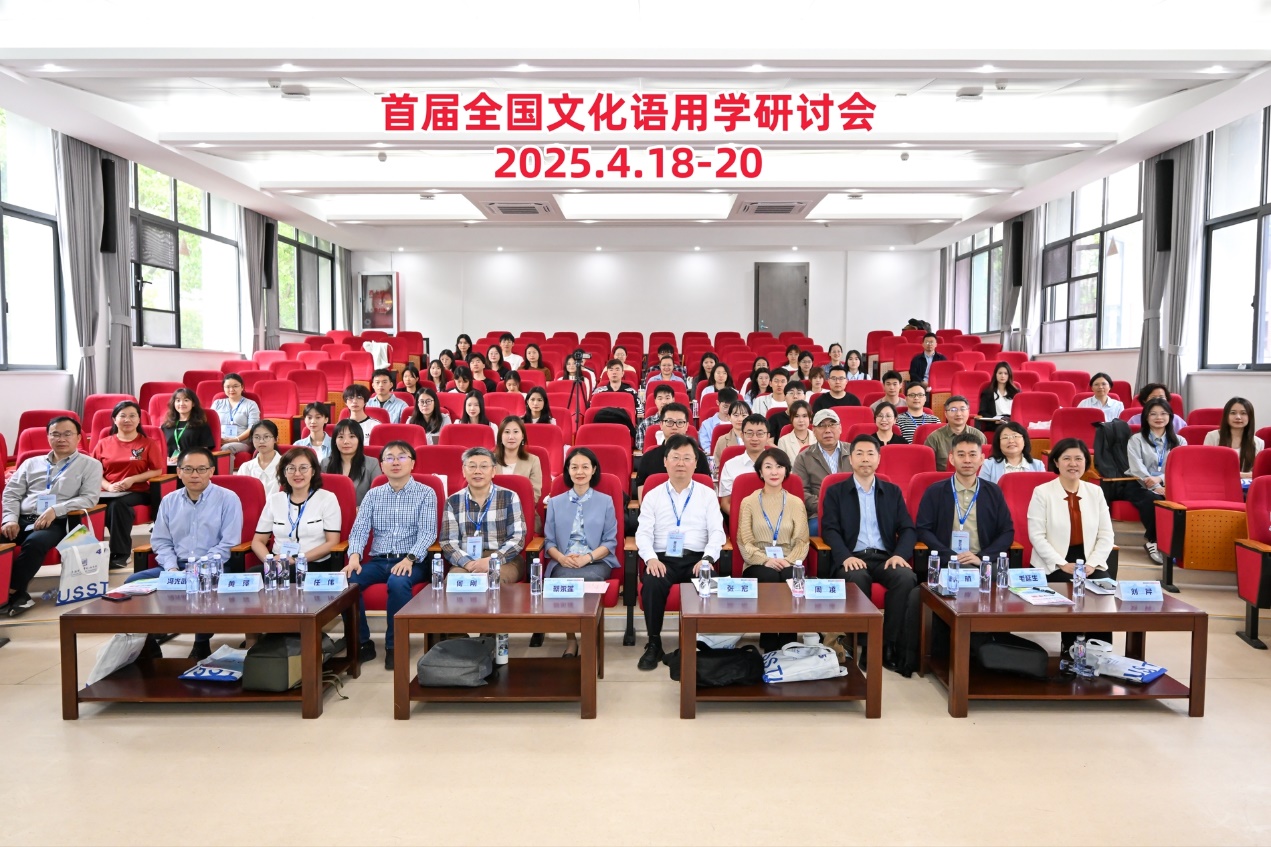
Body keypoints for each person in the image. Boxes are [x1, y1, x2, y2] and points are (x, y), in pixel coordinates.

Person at [127, 446, 240, 658]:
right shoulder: (169, 501)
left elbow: (228, 543)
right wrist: (171, 569)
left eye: (201, 469)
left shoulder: (228, 498)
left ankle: (201, 642)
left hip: (214, 567)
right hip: (176, 566)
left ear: (211, 471)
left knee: (204, 585)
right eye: (188, 469)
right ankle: (148, 643)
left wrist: (197, 569)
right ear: (178, 472)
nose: (194, 475)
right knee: (133, 583)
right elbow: (161, 541)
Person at [821, 435, 917, 672]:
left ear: (878, 459)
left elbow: (907, 528)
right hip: (853, 557)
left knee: (906, 578)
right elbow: (829, 530)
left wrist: (900, 555)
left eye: (870, 454)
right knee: (857, 578)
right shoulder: (836, 491)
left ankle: (887, 645)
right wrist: (845, 557)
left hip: (885, 557)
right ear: (850, 459)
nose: (865, 459)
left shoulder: (892, 492)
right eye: (860, 454)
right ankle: (864, 645)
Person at [342, 441, 438, 670]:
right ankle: (361, 643)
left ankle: (395, 646)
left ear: (412, 463)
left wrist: (409, 559)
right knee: (346, 583)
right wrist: (354, 557)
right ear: (382, 465)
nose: (396, 462)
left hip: (413, 560)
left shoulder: (426, 493)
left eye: (402, 457)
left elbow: (428, 532)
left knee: (398, 582)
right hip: (378, 560)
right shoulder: (373, 495)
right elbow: (359, 529)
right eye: (389, 457)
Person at [635, 434, 726, 670]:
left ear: (696, 463)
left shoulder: (706, 494)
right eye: (675, 457)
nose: (681, 463)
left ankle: (702, 644)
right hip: (662, 559)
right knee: (652, 582)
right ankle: (654, 643)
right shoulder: (653, 495)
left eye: (687, 458)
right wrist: (651, 559)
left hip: (697, 558)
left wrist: (707, 559)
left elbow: (717, 532)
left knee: (711, 583)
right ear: (665, 461)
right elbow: (643, 533)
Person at [1, 417, 102, 615]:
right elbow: (11, 493)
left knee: (35, 543)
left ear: (78, 437)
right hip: (23, 519)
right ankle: (18, 596)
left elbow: (89, 498)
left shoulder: (90, 465)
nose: (61, 439)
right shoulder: (30, 463)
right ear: (48, 437)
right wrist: (10, 519)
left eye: (67, 434)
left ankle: (9, 593)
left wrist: (56, 509)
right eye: (55, 434)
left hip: (58, 521)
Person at [1026, 438, 1116, 651]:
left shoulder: (1095, 492)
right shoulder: (1042, 492)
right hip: (1053, 562)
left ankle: (1101, 651)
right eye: (1066, 458)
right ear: (1056, 462)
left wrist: (1092, 564)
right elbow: (1037, 536)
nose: (1073, 464)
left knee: (1102, 592)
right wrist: (1061, 564)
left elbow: (1106, 534)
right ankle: (1071, 649)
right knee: (1070, 589)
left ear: (1086, 462)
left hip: (1089, 560)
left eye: (1078, 459)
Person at [542, 447, 620, 657]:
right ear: (568, 471)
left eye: (585, 467)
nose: (580, 472)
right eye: (574, 467)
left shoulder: (605, 501)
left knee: (589, 581)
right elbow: (549, 542)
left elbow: (609, 542)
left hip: (596, 560)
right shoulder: (555, 502)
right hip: (564, 561)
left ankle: (590, 636)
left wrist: (587, 558)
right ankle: (571, 640)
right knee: (563, 583)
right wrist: (562, 558)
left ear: (593, 470)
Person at [736, 447, 811, 651]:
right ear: (760, 472)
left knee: (790, 575)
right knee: (768, 575)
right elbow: (744, 541)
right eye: (768, 467)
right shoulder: (749, 502)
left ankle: (789, 638)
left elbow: (802, 541)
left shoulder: (795, 503)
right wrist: (765, 560)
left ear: (786, 471)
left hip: (788, 560)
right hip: (757, 562)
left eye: (779, 467)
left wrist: (788, 561)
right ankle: (768, 636)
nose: (774, 472)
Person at [917, 432, 1014, 571]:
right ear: (952, 459)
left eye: (973, 455)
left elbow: (1007, 531)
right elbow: (923, 529)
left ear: (982, 459)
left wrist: (982, 557)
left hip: (982, 562)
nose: (967, 460)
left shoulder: (993, 491)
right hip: (946, 562)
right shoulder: (935, 491)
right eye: (961, 455)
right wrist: (950, 556)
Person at [440, 446, 528, 585]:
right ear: (463, 471)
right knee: (454, 583)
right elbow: (448, 542)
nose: (477, 471)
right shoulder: (453, 501)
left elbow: (518, 537)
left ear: (493, 471)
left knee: (492, 581)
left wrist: (492, 560)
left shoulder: (509, 497)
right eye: (472, 466)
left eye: (484, 466)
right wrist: (468, 563)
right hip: (466, 560)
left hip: (504, 560)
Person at [92, 400, 165, 568]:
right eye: (122, 416)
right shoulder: (103, 443)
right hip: (108, 492)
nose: (127, 420)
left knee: (117, 505)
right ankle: (88, 557)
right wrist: (109, 486)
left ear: (139, 420)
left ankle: (121, 554)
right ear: (114, 419)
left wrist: (133, 479)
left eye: (132, 416)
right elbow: (94, 472)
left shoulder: (147, 443)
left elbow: (157, 471)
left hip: (138, 491)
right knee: (101, 505)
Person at [252, 446, 342, 572]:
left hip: (312, 562)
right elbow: (258, 541)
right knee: (250, 576)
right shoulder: (274, 500)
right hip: (278, 563)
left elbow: (332, 542)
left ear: (313, 471)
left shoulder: (327, 498)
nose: (297, 473)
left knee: (288, 575)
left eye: (303, 468)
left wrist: (297, 559)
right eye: (291, 468)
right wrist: (270, 561)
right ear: (284, 472)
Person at [1128, 398, 1186, 565]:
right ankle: (1153, 541)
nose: (1158, 417)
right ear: (1146, 417)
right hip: (1138, 482)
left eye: (1163, 413)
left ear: (1170, 416)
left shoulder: (1180, 441)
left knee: (1178, 503)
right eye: (1153, 414)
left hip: (1170, 483)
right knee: (1151, 499)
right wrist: (1155, 486)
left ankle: (1177, 544)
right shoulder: (1136, 439)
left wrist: (1161, 480)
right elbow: (1137, 468)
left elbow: (1180, 468)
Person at [791, 409, 850, 535]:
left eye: (832, 424)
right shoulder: (804, 457)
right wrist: (826, 506)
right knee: (814, 528)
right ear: (813, 430)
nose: (827, 430)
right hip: (820, 513)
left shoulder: (854, 452)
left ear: (840, 428)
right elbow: (801, 491)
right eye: (822, 425)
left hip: (853, 509)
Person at [636, 403, 710, 499]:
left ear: (687, 426)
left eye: (680, 422)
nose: (674, 427)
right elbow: (643, 497)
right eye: (669, 422)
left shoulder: (699, 456)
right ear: (661, 424)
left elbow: (706, 492)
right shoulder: (648, 458)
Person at [717, 414, 771, 514]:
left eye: (760, 434)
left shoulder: (778, 465)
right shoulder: (730, 465)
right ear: (742, 436)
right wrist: (745, 519)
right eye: (749, 433)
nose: (754, 438)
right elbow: (725, 503)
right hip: (741, 519)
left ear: (768, 436)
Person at [323, 419, 381, 504]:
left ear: (359, 440)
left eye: (352, 436)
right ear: (334, 441)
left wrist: (363, 508)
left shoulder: (372, 464)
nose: (346, 442)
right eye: (341, 437)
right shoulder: (325, 464)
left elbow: (379, 496)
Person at [1204, 396, 1262, 479]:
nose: (1238, 417)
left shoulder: (1259, 443)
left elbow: (1257, 474)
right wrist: (1244, 475)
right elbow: (1207, 468)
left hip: (1247, 485)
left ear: (1250, 417)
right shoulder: (1212, 437)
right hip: (1218, 482)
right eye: (1233, 413)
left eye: (1243, 413)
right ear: (1226, 416)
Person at [924, 395, 986, 472]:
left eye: (962, 409)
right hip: (944, 478)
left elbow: (983, 466)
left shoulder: (979, 436)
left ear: (968, 412)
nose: (958, 414)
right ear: (946, 414)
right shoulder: (934, 438)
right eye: (953, 410)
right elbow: (928, 469)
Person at [493, 416, 543, 508]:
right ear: (500, 436)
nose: (511, 437)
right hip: (493, 510)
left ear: (522, 436)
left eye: (516, 432)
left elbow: (534, 495)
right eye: (507, 432)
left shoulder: (533, 460)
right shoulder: (489, 460)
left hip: (523, 510)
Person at [161, 388, 216, 466]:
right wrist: (164, 457)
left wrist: (183, 457)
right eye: (178, 400)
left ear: (193, 403)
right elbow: (161, 448)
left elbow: (203, 451)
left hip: (192, 465)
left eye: (186, 400)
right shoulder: (166, 426)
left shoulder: (201, 425)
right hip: (169, 465)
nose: (181, 403)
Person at [978, 420, 1046, 482]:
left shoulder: (1038, 466)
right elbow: (983, 490)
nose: (1011, 441)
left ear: (1024, 441)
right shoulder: (989, 465)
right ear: (999, 443)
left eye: (1015, 436)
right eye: (1005, 437)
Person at [211, 373, 261, 455]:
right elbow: (211, 425)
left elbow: (253, 428)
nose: (231, 389)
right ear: (223, 388)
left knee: (226, 448)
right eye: (228, 387)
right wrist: (218, 440)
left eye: (235, 386)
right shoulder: (217, 403)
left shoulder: (251, 404)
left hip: (241, 442)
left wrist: (235, 439)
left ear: (242, 387)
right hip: (219, 440)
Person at [235, 421, 282, 492]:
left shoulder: (286, 466)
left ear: (276, 439)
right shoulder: (245, 467)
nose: (261, 441)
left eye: (266, 437)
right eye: (257, 437)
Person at [711, 400, 751, 473]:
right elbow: (716, 467)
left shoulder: (757, 439)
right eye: (736, 415)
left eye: (744, 415)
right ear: (729, 417)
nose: (740, 419)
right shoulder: (722, 441)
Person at [637, 383, 676, 450]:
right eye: (660, 398)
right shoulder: (645, 424)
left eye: (667, 398)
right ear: (655, 401)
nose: (664, 402)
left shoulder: (680, 422)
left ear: (673, 400)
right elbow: (640, 447)